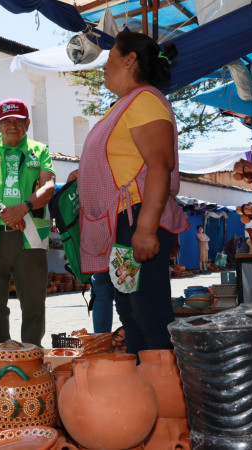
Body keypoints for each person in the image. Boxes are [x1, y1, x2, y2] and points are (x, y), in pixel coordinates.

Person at [74, 30, 189, 355]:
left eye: (110, 59)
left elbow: (159, 165)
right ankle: (146, 391)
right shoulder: (126, 105)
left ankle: (165, 393)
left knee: (149, 315)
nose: (104, 67)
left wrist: (146, 227)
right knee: (132, 315)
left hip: (139, 218)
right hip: (126, 225)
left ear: (130, 60)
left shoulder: (145, 101)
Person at [0, 98, 56, 346]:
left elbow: (48, 186)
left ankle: (32, 357)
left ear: (28, 123)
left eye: (18, 121)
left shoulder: (40, 151)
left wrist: (24, 207)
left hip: (30, 237)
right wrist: (2, 210)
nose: (12, 126)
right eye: (7, 121)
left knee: (34, 304)